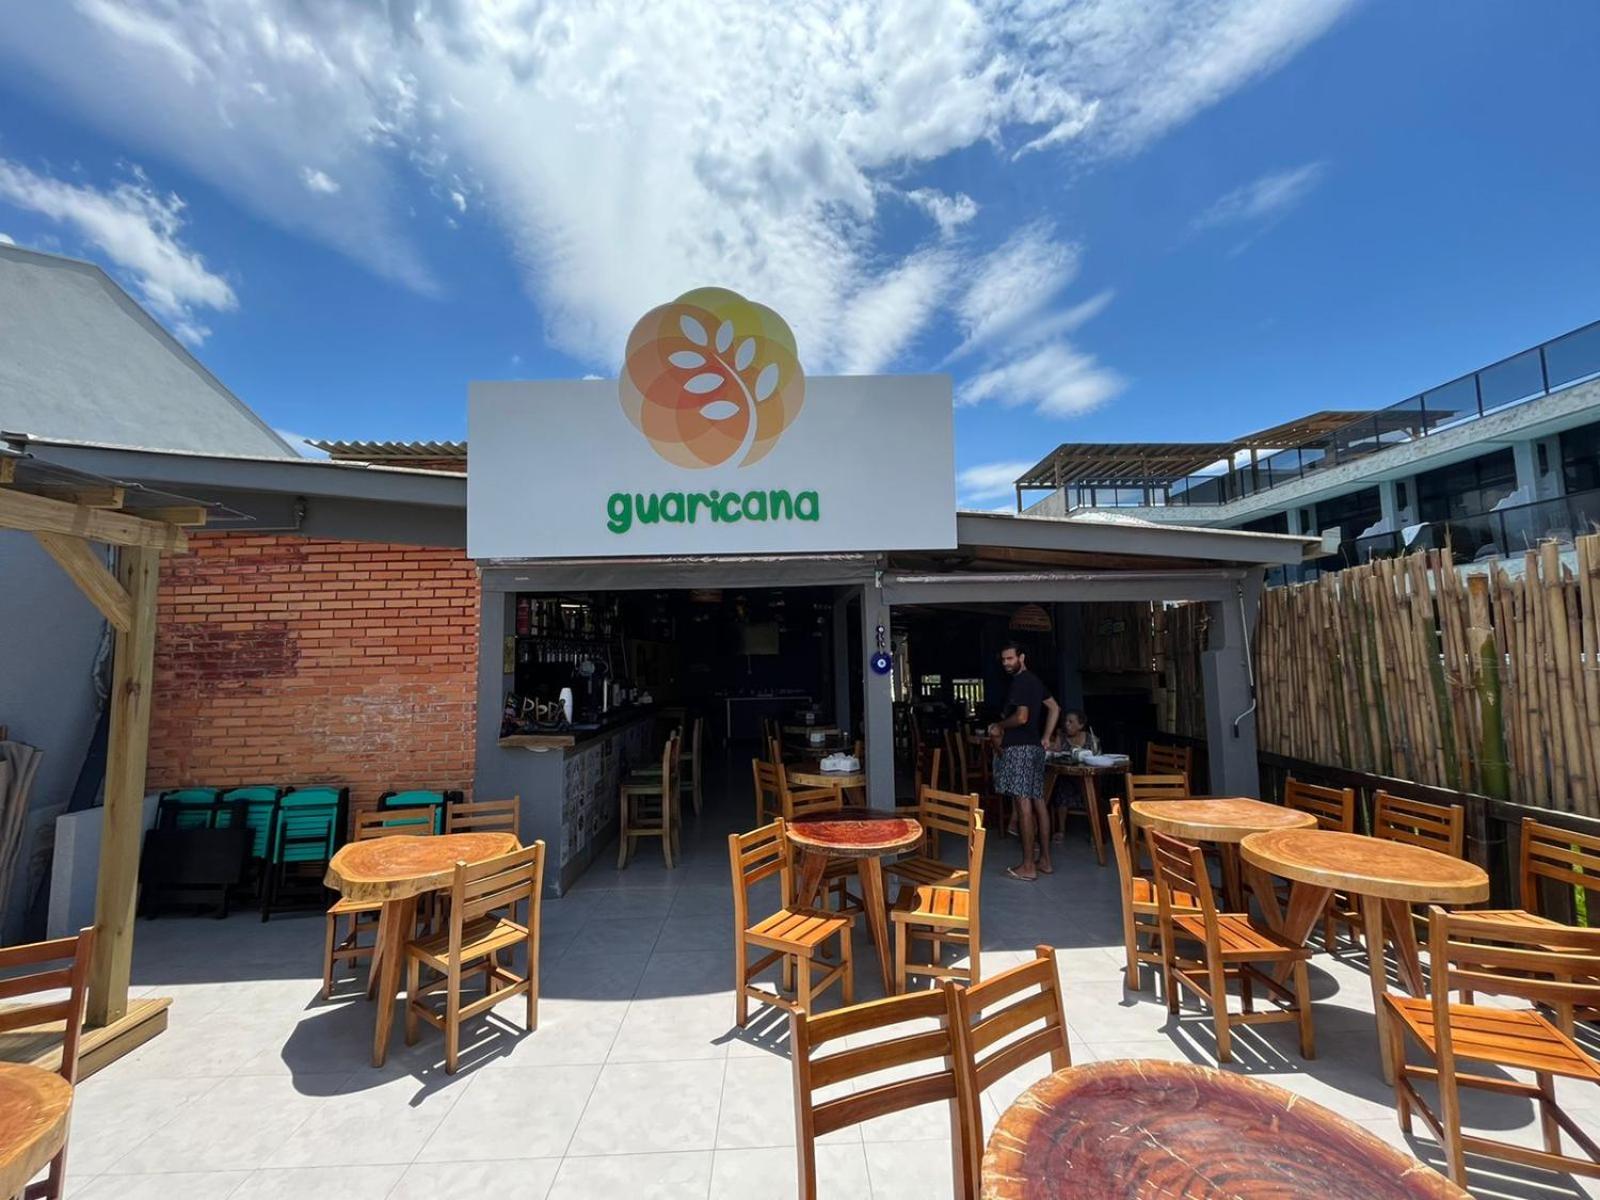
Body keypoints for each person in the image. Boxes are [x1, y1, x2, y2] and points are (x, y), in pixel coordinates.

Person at [987, 641, 1051, 880]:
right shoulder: (1035, 681)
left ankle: (1028, 866)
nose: (1006, 663)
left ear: (1021, 657)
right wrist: (1045, 736)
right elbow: (1054, 708)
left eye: (1010, 658)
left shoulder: (1021, 681)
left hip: (1020, 749)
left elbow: (1022, 717)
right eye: (1003, 659)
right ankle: (1045, 861)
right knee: (1039, 804)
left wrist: (999, 725)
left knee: (1023, 806)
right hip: (1035, 748)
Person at [1049, 709, 1100, 843]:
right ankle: (1061, 830)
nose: (1067, 724)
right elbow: (1054, 752)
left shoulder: (1091, 739)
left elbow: (1097, 757)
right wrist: (1053, 745)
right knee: (1062, 787)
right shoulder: (1062, 737)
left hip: (1086, 778)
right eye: (1066, 721)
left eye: (1071, 722)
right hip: (1067, 778)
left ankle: (1094, 832)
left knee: (1090, 792)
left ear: (1080, 725)